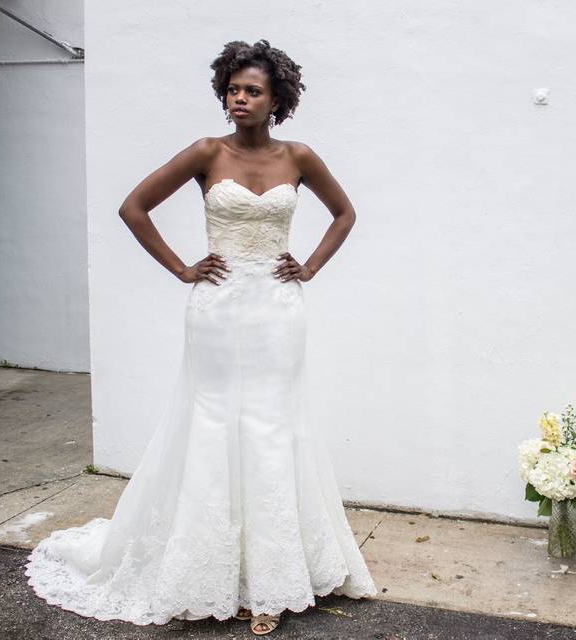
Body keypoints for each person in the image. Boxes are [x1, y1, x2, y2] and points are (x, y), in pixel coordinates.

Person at [24, 39, 377, 636]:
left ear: (277, 100)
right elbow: (133, 207)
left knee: (272, 427)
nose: (239, 99)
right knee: (214, 425)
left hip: (277, 311)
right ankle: (205, 572)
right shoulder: (205, 152)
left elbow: (344, 212)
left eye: (252, 91)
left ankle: (273, 579)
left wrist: (310, 266)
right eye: (233, 89)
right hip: (217, 309)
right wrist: (183, 268)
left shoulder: (300, 156)